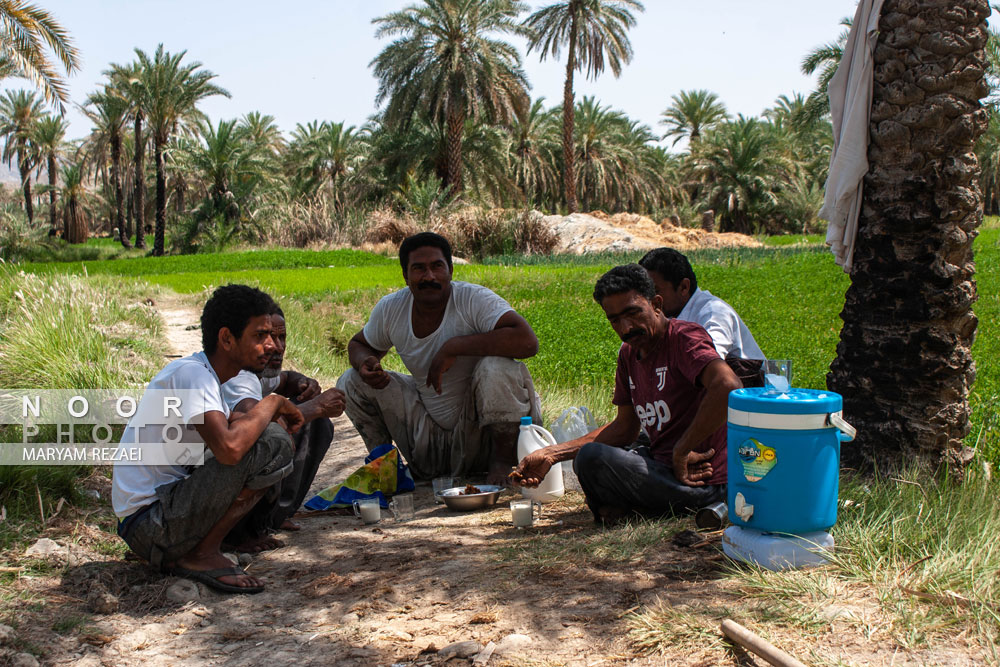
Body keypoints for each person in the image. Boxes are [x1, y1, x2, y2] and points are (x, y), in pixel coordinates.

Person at [511, 265, 742, 524]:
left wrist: (682, 449)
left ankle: (633, 509)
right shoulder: (629, 354)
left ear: (656, 304)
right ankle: (631, 509)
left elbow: (727, 386)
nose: (626, 327)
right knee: (589, 458)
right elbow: (624, 428)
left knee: (592, 457)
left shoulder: (683, 338)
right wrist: (552, 454)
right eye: (615, 320)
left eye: (633, 313)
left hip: (701, 482)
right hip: (661, 468)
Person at [112, 285, 304, 594]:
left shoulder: (209, 377)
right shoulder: (193, 374)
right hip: (150, 524)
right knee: (271, 441)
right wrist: (274, 403)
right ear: (227, 338)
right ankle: (201, 554)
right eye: (259, 336)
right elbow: (229, 450)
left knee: (264, 437)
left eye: (272, 335)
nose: (271, 346)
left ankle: (200, 549)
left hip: (156, 519)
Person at [338, 231, 541, 483]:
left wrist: (454, 347)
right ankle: (386, 468)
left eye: (437, 267)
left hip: (484, 436)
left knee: (497, 366)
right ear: (405, 275)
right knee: (351, 380)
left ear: (451, 270)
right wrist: (365, 362)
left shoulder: (473, 300)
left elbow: (527, 341)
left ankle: (503, 463)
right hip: (429, 443)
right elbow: (359, 344)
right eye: (419, 269)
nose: (429, 277)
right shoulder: (392, 308)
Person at [221, 307, 345, 550]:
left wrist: (302, 382)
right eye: (264, 338)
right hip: (205, 486)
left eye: (281, 338)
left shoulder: (259, 368)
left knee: (314, 421)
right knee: (275, 436)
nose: (276, 347)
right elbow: (260, 427)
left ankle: (273, 517)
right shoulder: (240, 378)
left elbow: (284, 379)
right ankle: (236, 534)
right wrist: (317, 406)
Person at [638, 247, 764, 361]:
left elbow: (708, 361)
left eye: (656, 291)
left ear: (684, 287)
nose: (649, 301)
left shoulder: (713, 313)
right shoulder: (665, 315)